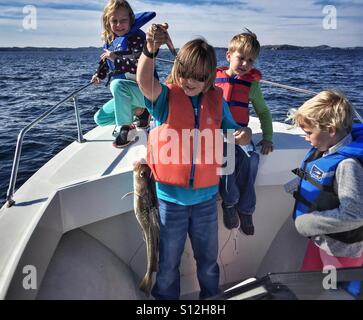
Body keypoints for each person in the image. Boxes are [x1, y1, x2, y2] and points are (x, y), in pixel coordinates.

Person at [136, 24, 252, 300]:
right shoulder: (165, 98)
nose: (190, 81)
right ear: (177, 70)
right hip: (170, 201)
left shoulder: (216, 101)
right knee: (167, 265)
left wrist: (243, 135)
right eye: (185, 74)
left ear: (210, 79)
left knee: (209, 263)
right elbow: (144, 81)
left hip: (205, 201)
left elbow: (233, 131)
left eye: (198, 78)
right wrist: (150, 49)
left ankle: (210, 300)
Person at [287, 90, 363, 297]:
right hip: (321, 241)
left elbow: (355, 215)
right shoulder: (327, 148)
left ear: (330, 129)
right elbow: (324, 183)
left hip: (343, 252)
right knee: (306, 285)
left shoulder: (348, 165)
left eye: (309, 132)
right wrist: (298, 183)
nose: (305, 137)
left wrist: (308, 223)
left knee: (336, 294)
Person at [215, 30, 273, 235]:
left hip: (241, 134)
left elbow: (264, 112)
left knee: (253, 158)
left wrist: (267, 137)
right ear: (229, 56)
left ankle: (246, 209)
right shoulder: (212, 79)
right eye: (241, 58)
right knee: (227, 158)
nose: (245, 64)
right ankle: (230, 203)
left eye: (251, 60)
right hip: (217, 135)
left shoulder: (252, 86)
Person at [92, 0, 156, 147]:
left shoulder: (139, 38)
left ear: (130, 20)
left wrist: (115, 58)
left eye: (123, 21)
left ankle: (126, 128)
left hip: (145, 92)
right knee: (100, 119)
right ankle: (141, 112)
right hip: (129, 95)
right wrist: (98, 75)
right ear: (107, 22)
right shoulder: (111, 40)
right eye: (114, 21)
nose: (119, 25)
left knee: (116, 84)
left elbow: (139, 66)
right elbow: (105, 62)